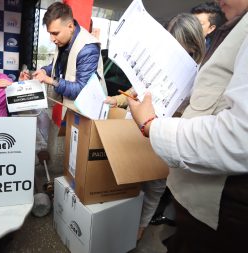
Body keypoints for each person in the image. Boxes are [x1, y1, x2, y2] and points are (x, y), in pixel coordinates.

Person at [127, 1, 248, 251]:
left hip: (215, 210)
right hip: (189, 182)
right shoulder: (235, 29)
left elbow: (238, 136)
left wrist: (153, 125)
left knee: (154, 190)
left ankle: (140, 227)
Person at [21, 2, 107, 106]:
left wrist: (50, 80)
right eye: (50, 33)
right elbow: (55, 66)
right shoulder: (63, 41)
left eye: (55, 33)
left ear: (70, 26)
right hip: (69, 106)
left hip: (89, 110)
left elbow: (82, 91)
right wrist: (43, 71)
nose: (52, 39)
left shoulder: (88, 48)